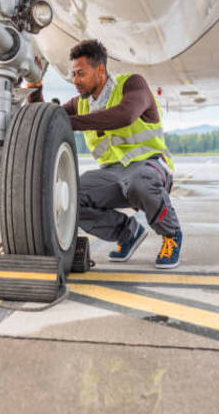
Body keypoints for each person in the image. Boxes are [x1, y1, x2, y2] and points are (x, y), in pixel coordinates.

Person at [62, 40, 182, 268]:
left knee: (139, 181)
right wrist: (34, 86)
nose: (75, 81)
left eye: (81, 74)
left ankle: (172, 234)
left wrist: (72, 123)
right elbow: (51, 116)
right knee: (70, 196)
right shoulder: (81, 104)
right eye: (73, 75)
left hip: (150, 166)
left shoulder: (132, 84)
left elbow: (125, 115)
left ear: (99, 70)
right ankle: (128, 233)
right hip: (112, 175)